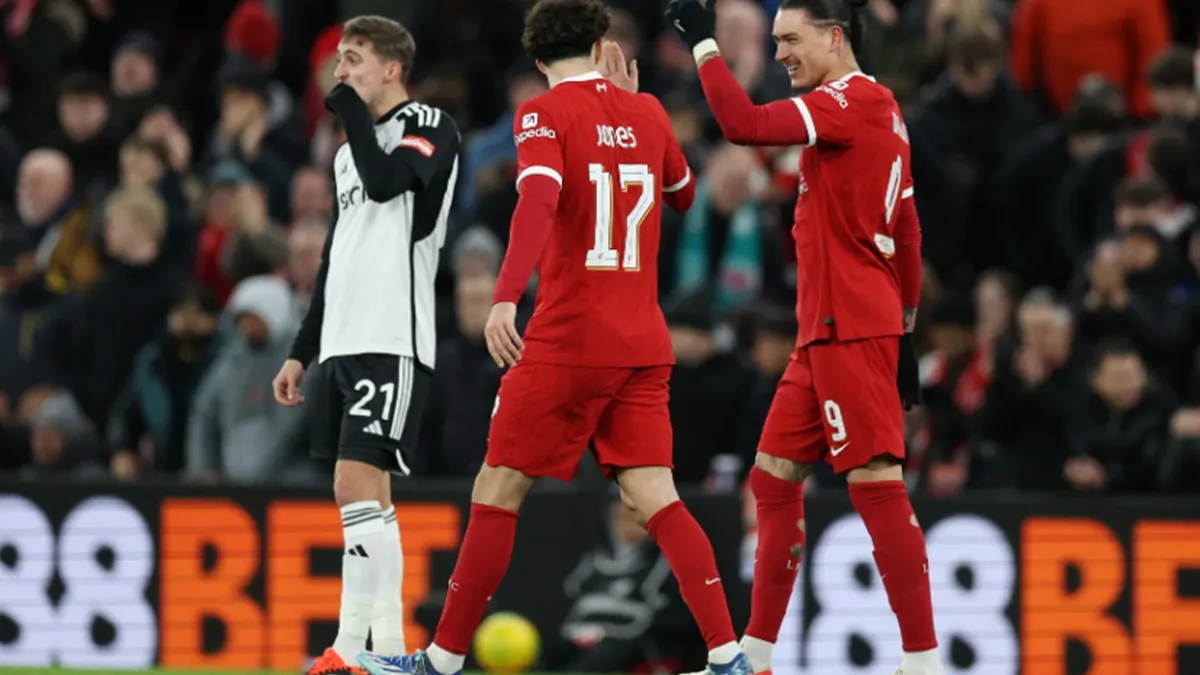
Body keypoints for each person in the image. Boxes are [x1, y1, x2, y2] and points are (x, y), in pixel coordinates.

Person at [356, 2, 750, 675]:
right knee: (657, 493)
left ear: (537, 60)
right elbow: (682, 194)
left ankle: (443, 660)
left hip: (570, 338)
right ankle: (728, 654)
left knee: (498, 486)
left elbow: (537, 201)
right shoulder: (649, 111)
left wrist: (505, 295)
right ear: (602, 47)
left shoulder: (541, 113)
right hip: (643, 342)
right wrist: (634, 113)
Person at [664, 1, 940, 674]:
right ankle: (754, 656)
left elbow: (741, 123)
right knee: (772, 477)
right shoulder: (879, 109)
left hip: (847, 324)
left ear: (835, 36)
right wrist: (903, 320)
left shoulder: (850, 99)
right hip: (830, 326)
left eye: (790, 38)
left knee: (875, 480)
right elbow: (906, 228)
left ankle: (924, 659)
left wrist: (704, 44)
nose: (781, 51)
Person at [270, 14, 460, 675]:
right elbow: (334, 257)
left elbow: (388, 185)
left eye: (353, 59)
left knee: (354, 482)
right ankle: (384, 651)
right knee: (370, 496)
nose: (339, 71)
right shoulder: (349, 151)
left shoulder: (431, 125)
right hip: (344, 340)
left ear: (392, 69)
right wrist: (302, 347)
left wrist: (348, 109)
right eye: (339, 60)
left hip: (393, 335)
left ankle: (346, 651)